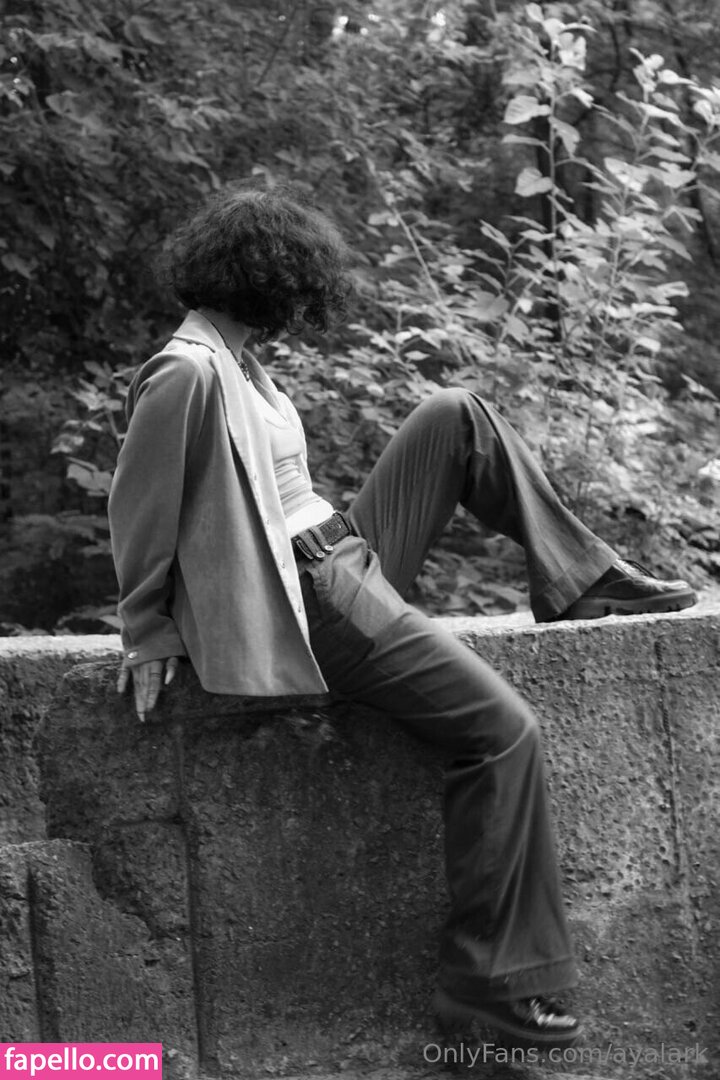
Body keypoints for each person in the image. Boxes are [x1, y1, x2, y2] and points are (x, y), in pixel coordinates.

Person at [108, 183, 696, 1051]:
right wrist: (146, 630)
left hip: (339, 549)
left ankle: (582, 579)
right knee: (504, 732)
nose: (304, 303)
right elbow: (139, 506)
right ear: (270, 278)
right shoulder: (187, 370)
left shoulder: (241, 360)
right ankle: (490, 991)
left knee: (456, 413)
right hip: (314, 593)